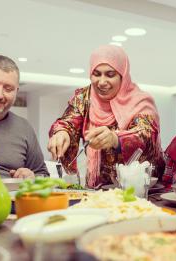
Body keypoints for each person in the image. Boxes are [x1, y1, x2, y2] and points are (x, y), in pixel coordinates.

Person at [48, 45, 164, 188]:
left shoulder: (140, 101)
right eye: (96, 74)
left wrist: (115, 139)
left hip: (135, 191)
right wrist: (62, 132)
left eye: (110, 75)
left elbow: (146, 134)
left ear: (123, 75)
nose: (102, 82)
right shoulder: (85, 97)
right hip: (95, 192)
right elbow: (69, 120)